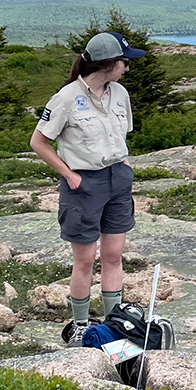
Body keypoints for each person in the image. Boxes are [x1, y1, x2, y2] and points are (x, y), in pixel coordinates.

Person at [30, 31, 147, 344]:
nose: (127, 67)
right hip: (83, 184)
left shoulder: (120, 93)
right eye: (124, 61)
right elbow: (38, 142)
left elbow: (121, 135)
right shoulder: (66, 98)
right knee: (84, 260)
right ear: (107, 64)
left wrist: (123, 167)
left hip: (117, 180)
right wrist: (69, 175)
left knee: (114, 255)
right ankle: (81, 324)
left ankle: (113, 323)